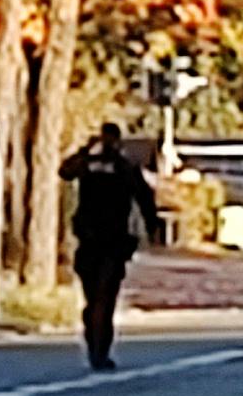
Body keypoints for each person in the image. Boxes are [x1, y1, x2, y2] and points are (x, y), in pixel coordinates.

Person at [59, 121, 167, 370]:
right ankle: (96, 345)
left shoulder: (118, 167)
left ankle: (98, 348)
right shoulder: (111, 166)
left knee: (100, 299)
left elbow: (143, 199)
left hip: (107, 243)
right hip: (97, 242)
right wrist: (153, 227)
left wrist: (153, 227)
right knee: (99, 300)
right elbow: (65, 172)